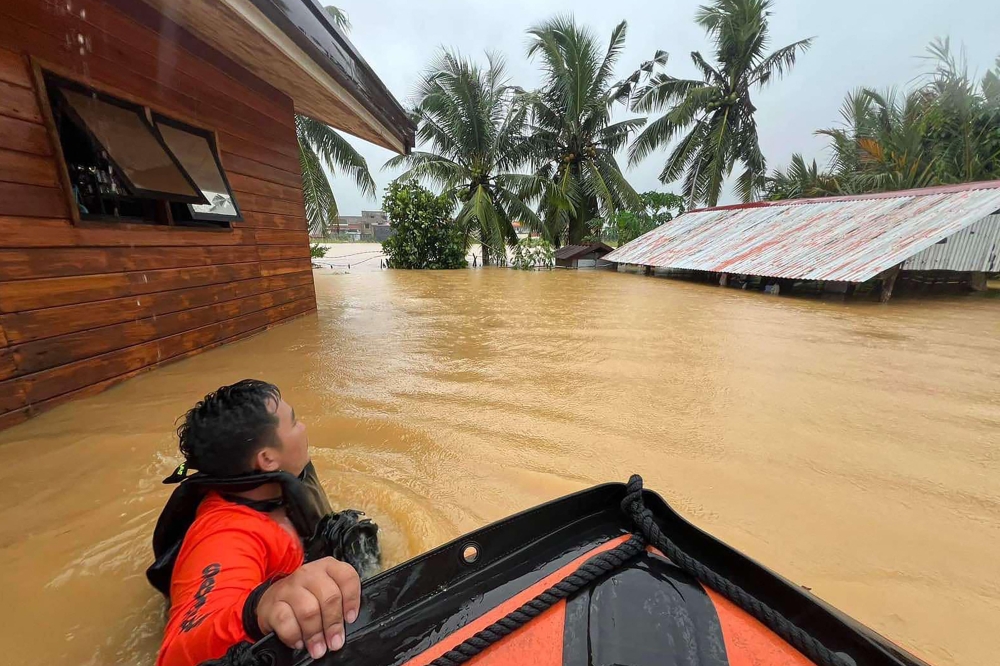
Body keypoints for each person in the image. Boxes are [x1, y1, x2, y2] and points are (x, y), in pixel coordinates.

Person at [151, 380, 366, 666]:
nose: (303, 428)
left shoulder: (279, 485)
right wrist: (258, 609)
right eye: (295, 422)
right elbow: (175, 655)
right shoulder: (224, 535)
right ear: (267, 459)